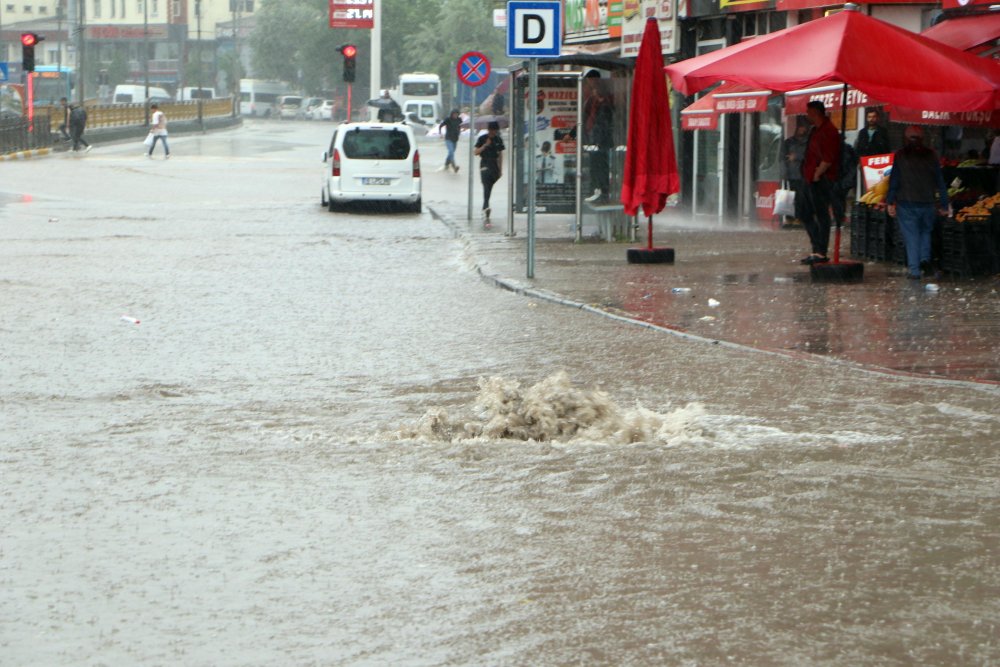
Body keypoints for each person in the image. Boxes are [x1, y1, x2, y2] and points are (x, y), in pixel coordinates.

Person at [886, 125, 950, 280]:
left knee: (911, 236)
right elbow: (940, 181)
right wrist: (944, 203)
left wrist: (890, 201)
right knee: (925, 232)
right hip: (927, 203)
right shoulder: (931, 155)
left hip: (907, 203)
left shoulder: (901, 155)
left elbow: (894, 180)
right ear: (923, 139)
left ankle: (914, 270)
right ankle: (924, 260)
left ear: (906, 139)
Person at [799, 100, 840, 265]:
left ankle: (820, 251)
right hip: (809, 176)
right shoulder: (814, 130)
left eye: (808, 112)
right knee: (803, 212)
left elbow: (828, 157)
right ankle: (816, 246)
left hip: (821, 179)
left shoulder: (829, 131)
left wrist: (818, 173)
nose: (806, 115)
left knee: (821, 214)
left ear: (815, 113)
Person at [582, 70, 613, 202]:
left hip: (601, 137)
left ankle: (603, 192)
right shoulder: (590, 97)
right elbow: (586, 116)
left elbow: (607, 115)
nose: (591, 83)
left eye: (592, 80)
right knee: (595, 165)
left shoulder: (603, 96)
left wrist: (600, 100)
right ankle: (596, 190)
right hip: (593, 136)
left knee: (601, 165)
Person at [474, 120, 504, 227]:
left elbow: (500, 155)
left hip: (494, 165)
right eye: (491, 130)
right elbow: (475, 152)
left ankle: (485, 206)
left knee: (489, 185)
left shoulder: (498, 139)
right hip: (484, 164)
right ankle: (486, 206)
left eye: (494, 130)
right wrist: (485, 145)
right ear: (488, 130)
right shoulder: (482, 138)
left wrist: (500, 169)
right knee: (486, 184)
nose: (492, 132)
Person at [780, 118, 809, 227]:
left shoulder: (809, 142)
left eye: (803, 127)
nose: (801, 129)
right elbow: (782, 157)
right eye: (800, 127)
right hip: (791, 174)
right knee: (791, 197)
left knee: (801, 197)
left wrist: (797, 157)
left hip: (803, 174)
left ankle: (799, 217)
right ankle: (790, 217)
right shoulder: (789, 142)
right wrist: (784, 172)